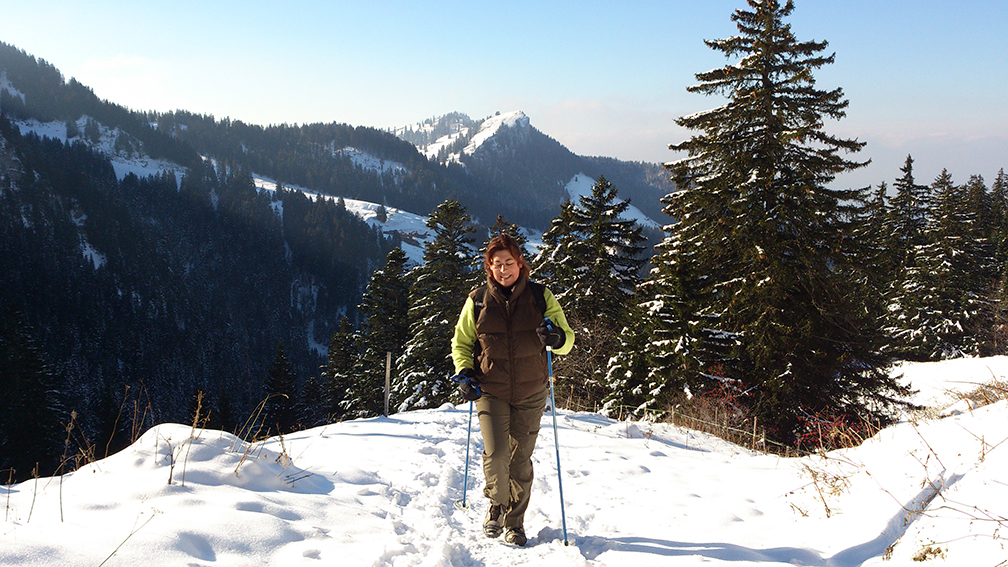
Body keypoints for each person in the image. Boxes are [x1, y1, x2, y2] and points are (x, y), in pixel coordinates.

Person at [450, 233, 575, 547]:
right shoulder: (477, 300)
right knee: (496, 454)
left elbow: (567, 339)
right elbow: (462, 343)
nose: (503, 269)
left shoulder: (540, 297)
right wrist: (464, 371)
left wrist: (557, 339)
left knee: (520, 460)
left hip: (532, 390)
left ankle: (515, 523)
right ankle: (497, 505)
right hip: (491, 389)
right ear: (489, 268)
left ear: (520, 263)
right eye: (496, 264)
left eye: (509, 262)